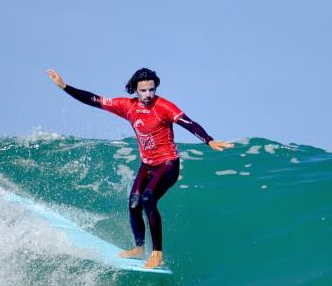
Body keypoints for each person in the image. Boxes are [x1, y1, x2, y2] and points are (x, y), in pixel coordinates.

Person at [46, 68, 234, 269]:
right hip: (147, 164)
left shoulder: (164, 107)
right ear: (135, 90)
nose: (148, 95)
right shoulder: (127, 106)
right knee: (134, 203)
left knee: (148, 198)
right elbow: (94, 100)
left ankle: (157, 254)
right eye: (143, 91)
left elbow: (189, 123)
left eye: (151, 90)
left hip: (168, 164)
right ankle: (139, 247)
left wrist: (209, 140)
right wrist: (64, 87)